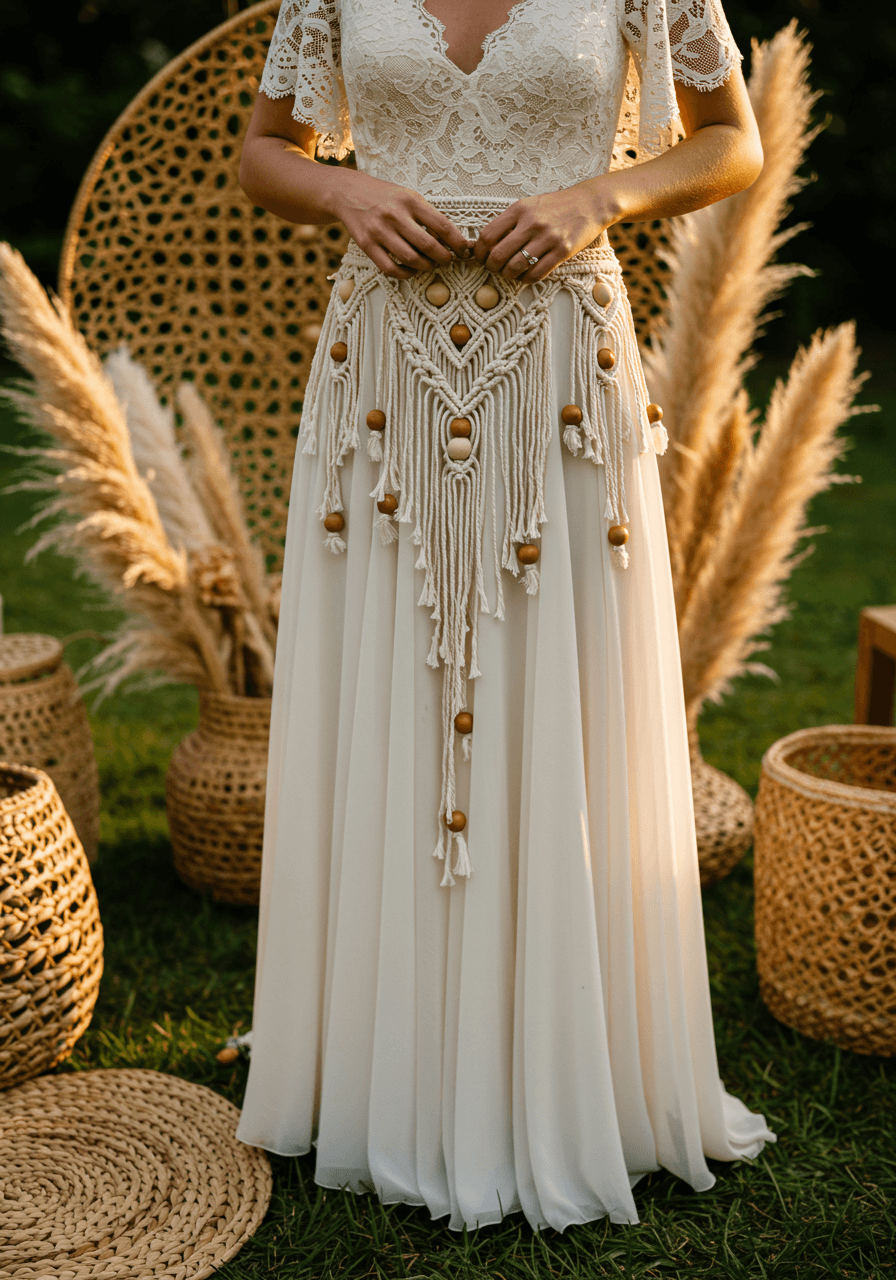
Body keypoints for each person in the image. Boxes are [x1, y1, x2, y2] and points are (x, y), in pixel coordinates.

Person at [235, 0, 776, 1232]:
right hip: (382, 377)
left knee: (552, 689)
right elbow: (266, 148)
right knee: (394, 678)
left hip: (556, 379)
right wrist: (343, 196)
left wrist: (600, 198)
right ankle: (379, 1064)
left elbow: (728, 140)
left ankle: (558, 1068)